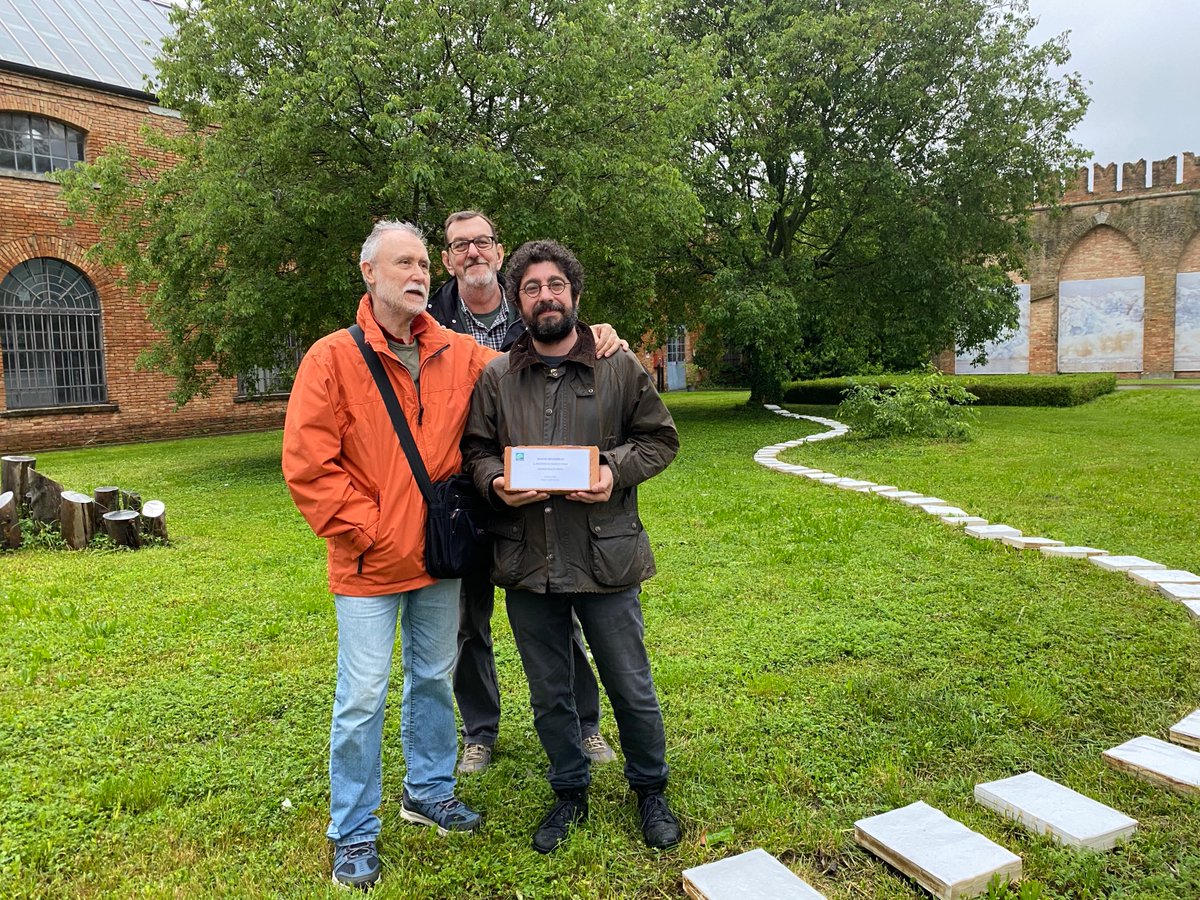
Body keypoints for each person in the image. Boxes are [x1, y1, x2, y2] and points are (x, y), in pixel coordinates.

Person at [282, 221, 495, 891]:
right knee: (362, 698)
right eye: (404, 261)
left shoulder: (460, 353)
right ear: (368, 272)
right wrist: (370, 531)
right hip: (369, 564)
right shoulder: (330, 359)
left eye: (426, 263)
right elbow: (309, 468)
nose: (421, 272)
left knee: (433, 678)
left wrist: (592, 339)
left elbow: (526, 371)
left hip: (436, 559)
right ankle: (352, 830)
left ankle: (427, 792)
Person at [462, 239, 682, 854]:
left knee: (629, 682)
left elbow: (660, 440)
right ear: (517, 301)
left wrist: (612, 470)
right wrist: (496, 483)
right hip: (529, 563)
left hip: (606, 558)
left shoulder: (619, 367)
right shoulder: (499, 376)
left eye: (554, 285)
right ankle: (569, 792)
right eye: (531, 288)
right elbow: (475, 452)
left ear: (575, 295)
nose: (545, 296)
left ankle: (650, 790)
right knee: (549, 691)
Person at [427, 210, 615, 775]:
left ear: (499, 250)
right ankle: (479, 731)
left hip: (539, 496)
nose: (472, 253)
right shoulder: (424, 322)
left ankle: (585, 725)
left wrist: (604, 334)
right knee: (467, 623)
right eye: (460, 246)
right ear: (447, 259)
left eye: (482, 242)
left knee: (562, 608)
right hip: (460, 493)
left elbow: (578, 351)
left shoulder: (536, 308)